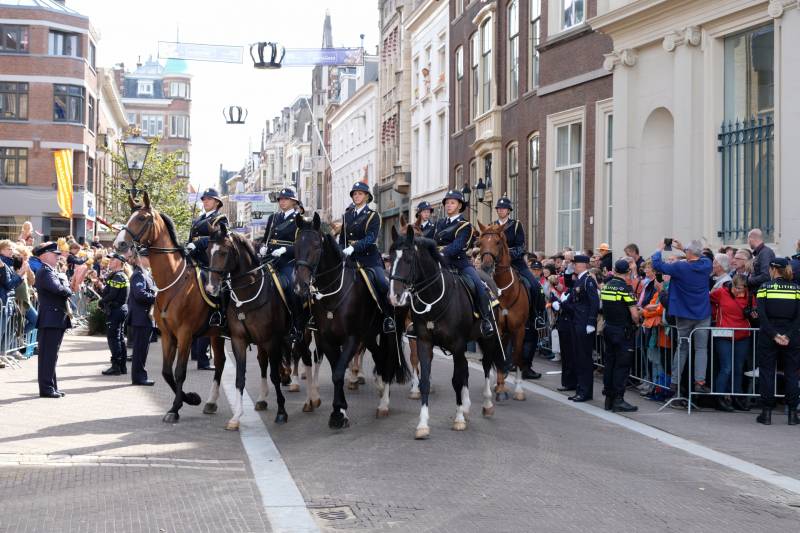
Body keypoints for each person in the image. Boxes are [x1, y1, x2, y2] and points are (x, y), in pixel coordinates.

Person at [652, 239, 713, 396]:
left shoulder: (680, 267)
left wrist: (659, 249)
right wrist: (684, 248)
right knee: (701, 348)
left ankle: (674, 381)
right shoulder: (706, 265)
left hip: (684, 313)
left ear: (689, 253)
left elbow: (657, 265)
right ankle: (700, 382)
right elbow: (702, 256)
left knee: (682, 347)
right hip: (702, 313)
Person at [493, 195, 543, 379]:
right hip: (498, 266)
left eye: (504, 208)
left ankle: (537, 316)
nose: (501, 210)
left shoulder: (516, 225)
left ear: (509, 211)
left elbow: (522, 247)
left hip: (516, 263)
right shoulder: (493, 225)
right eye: (499, 208)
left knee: (534, 285)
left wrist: (508, 254)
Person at [434, 189, 494, 337]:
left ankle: (486, 320)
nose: (448, 205)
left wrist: (439, 252)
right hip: (440, 264)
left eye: (452, 203)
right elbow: (432, 242)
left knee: (479, 286)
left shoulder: (465, 225)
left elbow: (458, 245)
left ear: (460, 206)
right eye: (447, 203)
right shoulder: (440, 223)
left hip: (460, 264)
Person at [339, 181, 395, 333]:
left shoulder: (373, 216)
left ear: (367, 197)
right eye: (355, 194)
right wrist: (341, 251)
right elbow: (342, 238)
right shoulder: (347, 216)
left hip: (369, 259)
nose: (357, 196)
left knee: (383, 284)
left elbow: (371, 237)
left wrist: (354, 247)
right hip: (350, 259)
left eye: (360, 194)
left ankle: (388, 318)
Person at [754, 257, 800, 425]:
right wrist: (787, 335)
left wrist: (774, 334)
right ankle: (793, 415)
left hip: (768, 334)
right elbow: (798, 317)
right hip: (792, 335)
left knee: (766, 373)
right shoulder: (796, 289)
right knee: (792, 374)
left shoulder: (764, 287)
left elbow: (762, 316)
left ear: (773, 269)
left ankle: (766, 414)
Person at [259, 187, 304, 341]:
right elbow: (266, 238)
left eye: (286, 199)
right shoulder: (273, 218)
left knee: (293, 287)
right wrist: (262, 247)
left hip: (287, 262)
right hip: (269, 259)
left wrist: (285, 249)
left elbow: (301, 246)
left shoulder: (299, 219)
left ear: (293, 202)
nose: (282, 201)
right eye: (280, 199)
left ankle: (296, 326)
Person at [600, 259, 641, 412]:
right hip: (623, 331)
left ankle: (608, 399)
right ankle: (618, 399)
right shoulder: (626, 288)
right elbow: (634, 314)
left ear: (615, 270)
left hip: (609, 328)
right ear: (628, 272)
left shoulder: (606, 286)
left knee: (610, 363)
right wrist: (637, 321)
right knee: (622, 366)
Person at [558, 254, 600, 402]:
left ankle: (585, 392)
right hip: (577, 322)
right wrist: (563, 303)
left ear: (583, 264)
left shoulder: (588, 280)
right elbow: (575, 300)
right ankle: (580, 389)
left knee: (584, 359)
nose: (573, 266)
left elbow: (594, 302)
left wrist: (591, 322)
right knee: (578, 357)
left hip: (584, 324)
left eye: (575, 264)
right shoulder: (580, 280)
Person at [32, 242, 72, 398]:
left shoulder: (50, 271)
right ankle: (47, 388)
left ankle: (51, 386)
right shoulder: (45, 272)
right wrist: (67, 288)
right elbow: (59, 289)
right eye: (54, 255)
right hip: (50, 319)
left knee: (51, 355)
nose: (57, 257)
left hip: (55, 318)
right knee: (48, 355)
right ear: (45, 255)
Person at [710, 274, 753, 412]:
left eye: (741, 289)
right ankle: (720, 398)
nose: (738, 291)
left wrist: (753, 313)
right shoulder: (721, 292)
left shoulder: (750, 296)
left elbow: (754, 310)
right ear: (732, 284)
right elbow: (708, 299)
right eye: (736, 288)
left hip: (743, 334)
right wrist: (715, 313)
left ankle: (736, 397)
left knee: (738, 368)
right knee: (726, 367)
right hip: (724, 333)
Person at [97, 253, 130, 376]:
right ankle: (122, 366)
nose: (110, 261)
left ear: (119, 262)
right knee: (119, 338)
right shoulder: (120, 275)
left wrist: (101, 301)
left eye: (112, 259)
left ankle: (116, 366)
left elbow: (112, 294)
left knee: (113, 338)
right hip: (120, 310)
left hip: (116, 311)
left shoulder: (118, 276)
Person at [128, 251, 156, 386]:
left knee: (142, 350)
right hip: (140, 318)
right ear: (140, 259)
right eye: (148, 257)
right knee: (140, 350)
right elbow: (140, 295)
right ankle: (139, 378)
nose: (151, 259)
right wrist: (157, 298)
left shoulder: (145, 274)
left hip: (144, 317)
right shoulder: (138, 275)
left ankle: (140, 376)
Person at [186, 188, 228, 268]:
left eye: (209, 199)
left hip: (209, 260)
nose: (205, 201)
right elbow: (191, 238)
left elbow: (219, 238)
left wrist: (197, 243)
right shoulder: (198, 219)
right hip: (194, 256)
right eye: (204, 199)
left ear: (217, 202)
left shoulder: (220, 218)